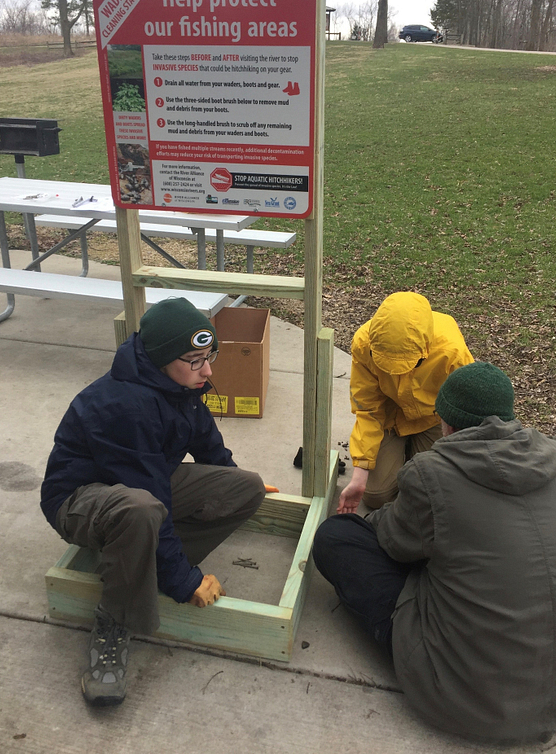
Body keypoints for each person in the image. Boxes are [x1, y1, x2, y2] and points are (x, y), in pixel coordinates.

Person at [41, 297, 270, 707]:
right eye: (196, 360)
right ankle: (115, 621)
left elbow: (207, 444)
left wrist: (234, 478)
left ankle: (138, 562)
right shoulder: (126, 406)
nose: (209, 370)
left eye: (210, 356)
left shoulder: (180, 385)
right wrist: (184, 581)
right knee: (142, 511)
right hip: (80, 499)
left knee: (245, 487)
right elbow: (150, 495)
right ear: (164, 358)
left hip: (139, 489)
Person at [313, 362, 556, 742]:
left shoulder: (434, 473)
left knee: (337, 536)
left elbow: (392, 541)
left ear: (446, 423)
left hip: (471, 702)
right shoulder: (551, 457)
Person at [338, 291, 473, 513]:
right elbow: (368, 409)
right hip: (389, 419)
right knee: (375, 496)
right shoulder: (363, 343)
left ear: (425, 349)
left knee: (430, 490)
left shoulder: (452, 351)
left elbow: (464, 409)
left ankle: (415, 453)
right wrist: (360, 474)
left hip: (434, 419)